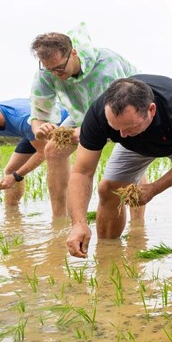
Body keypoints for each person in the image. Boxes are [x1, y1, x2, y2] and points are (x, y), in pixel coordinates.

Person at [65, 75, 172, 258]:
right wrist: (78, 223)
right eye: (115, 128)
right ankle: (109, 257)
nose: (122, 135)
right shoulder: (98, 115)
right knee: (108, 189)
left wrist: (154, 188)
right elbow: (82, 172)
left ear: (151, 110)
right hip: (135, 147)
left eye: (129, 127)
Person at [29, 23, 138, 217]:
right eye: (50, 69)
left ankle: (138, 223)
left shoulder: (107, 65)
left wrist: (83, 132)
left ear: (73, 53)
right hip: (82, 111)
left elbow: (115, 114)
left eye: (60, 68)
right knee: (52, 149)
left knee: (131, 152)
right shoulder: (47, 73)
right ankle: (59, 217)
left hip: (124, 111)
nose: (56, 74)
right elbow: (38, 114)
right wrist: (40, 128)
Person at [0, 96, 65, 207]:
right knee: (11, 170)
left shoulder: (22, 118)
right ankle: (11, 213)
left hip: (64, 124)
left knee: (56, 168)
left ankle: (61, 217)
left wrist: (15, 177)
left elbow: (44, 152)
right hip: (33, 132)